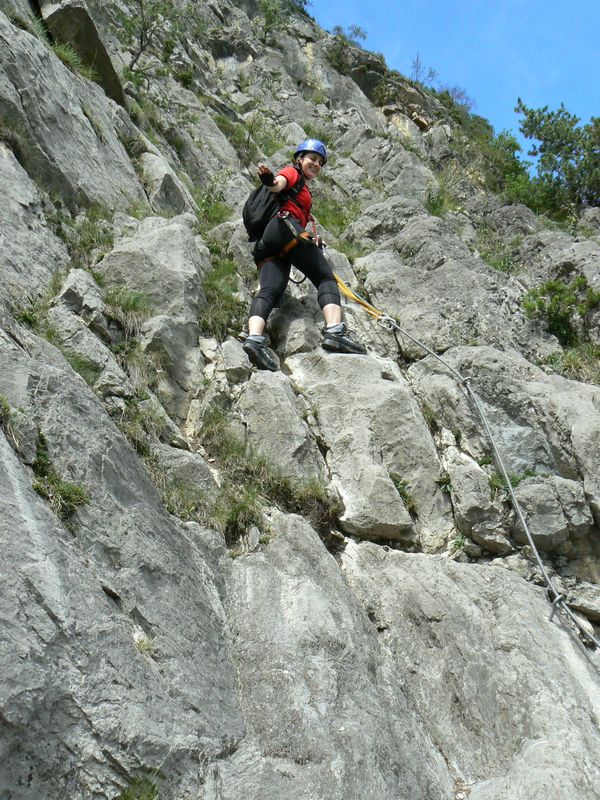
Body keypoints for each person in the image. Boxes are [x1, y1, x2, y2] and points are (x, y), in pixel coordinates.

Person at [242, 138, 366, 371]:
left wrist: (309, 235)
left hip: (269, 244)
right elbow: (278, 184)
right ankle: (335, 332)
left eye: (320, 161)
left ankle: (254, 339)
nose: (316, 164)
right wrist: (269, 179)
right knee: (325, 278)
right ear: (299, 159)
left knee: (270, 290)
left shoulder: (301, 187)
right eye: (312, 158)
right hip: (284, 229)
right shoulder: (292, 173)